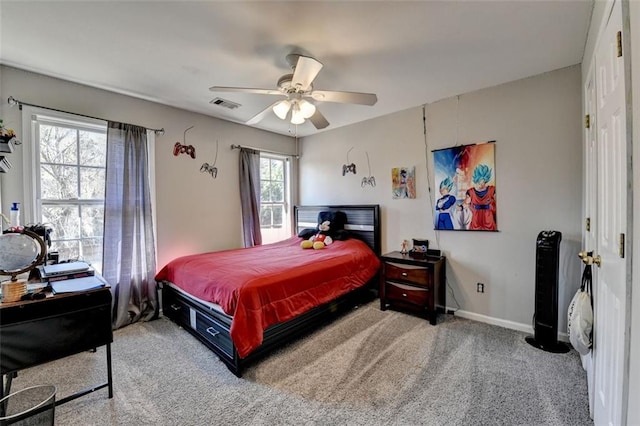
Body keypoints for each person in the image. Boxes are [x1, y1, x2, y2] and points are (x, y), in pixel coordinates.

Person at [464, 164, 497, 230]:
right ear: (476, 180)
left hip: (489, 221)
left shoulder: (492, 190)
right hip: (475, 221)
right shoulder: (470, 192)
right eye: (480, 182)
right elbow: (465, 205)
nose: (481, 185)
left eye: (483, 182)